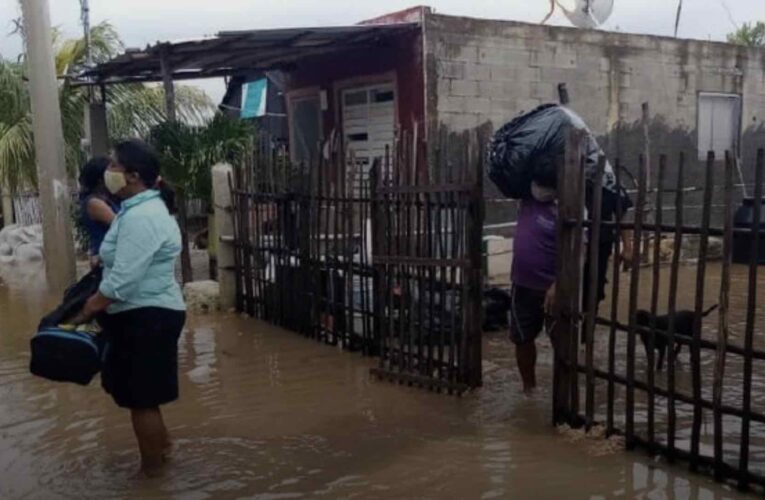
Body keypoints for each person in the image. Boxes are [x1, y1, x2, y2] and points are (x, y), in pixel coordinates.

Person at [73, 139, 186, 476]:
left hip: (147, 315)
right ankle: (163, 453)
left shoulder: (142, 216)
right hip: (141, 314)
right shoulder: (136, 211)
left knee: (142, 400)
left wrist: (86, 311)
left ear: (133, 176)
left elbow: (122, 281)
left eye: (113, 166)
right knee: (141, 395)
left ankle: (152, 476)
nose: (108, 172)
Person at [508, 164, 558, 396]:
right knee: (522, 338)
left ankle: (562, 393)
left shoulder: (567, 207)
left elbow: (581, 250)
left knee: (561, 339)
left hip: (552, 288)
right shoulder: (527, 199)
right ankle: (529, 389)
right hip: (523, 283)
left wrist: (558, 284)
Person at [78, 157, 120, 269]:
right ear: (100, 179)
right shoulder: (94, 203)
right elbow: (121, 226)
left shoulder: (109, 198)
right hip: (104, 260)